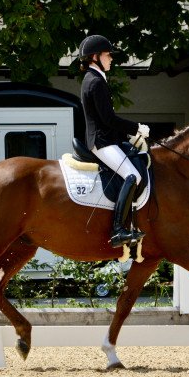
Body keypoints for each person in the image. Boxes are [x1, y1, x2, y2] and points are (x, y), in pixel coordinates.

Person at [79, 34, 150, 248]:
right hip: (101, 142)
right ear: (95, 57)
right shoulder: (95, 82)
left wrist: (127, 136)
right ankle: (118, 229)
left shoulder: (96, 79)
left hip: (106, 138)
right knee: (132, 175)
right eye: (107, 55)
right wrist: (136, 127)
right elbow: (108, 119)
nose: (111, 59)